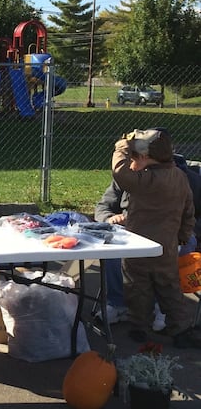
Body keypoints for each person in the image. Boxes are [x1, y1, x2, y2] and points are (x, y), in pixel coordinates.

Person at [95, 135, 201, 329]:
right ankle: (175, 326)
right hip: (154, 238)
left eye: (133, 158)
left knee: (139, 283)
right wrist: (110, 218)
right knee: (166, 284)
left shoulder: (145, 178)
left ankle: (143, 321)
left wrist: (185, 235)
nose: (131, 163)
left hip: (157, 240)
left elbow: (190, 212)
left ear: (144, 157)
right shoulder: (173, 176)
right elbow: (103, 206)